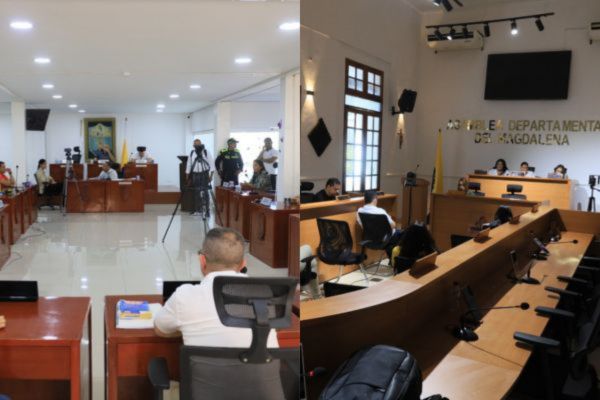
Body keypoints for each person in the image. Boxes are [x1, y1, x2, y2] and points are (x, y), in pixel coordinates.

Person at [154, 227, 279, 347]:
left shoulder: (184, 296)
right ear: (243, 264)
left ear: (202, 261)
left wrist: (188, 327)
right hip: (263, 363)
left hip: (204, 363)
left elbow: (160, 330)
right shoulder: (266, 295)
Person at [357, 190, 402, 257]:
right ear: (375, 199)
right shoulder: (381, 211)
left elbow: (363, 227)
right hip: (384, 240)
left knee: (392, 242)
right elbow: (393, 225)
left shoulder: (359, 211)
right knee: (403, 235)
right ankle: (395, 259)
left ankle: (391, 258)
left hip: (369, 240)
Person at [186, 139, 214, 218]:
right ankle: (198, 210)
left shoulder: (206, 152)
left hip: (204, 174)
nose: (197, 146)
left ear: (201, 144)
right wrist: (187, 176)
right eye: (195, 144)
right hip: (195, 175)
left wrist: (211, 176)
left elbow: (211, 164)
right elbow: (189, 164)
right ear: (193, 145)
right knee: (196, 192)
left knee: (205, 193)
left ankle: (207, 211)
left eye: (198, 144)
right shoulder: (192, 153)